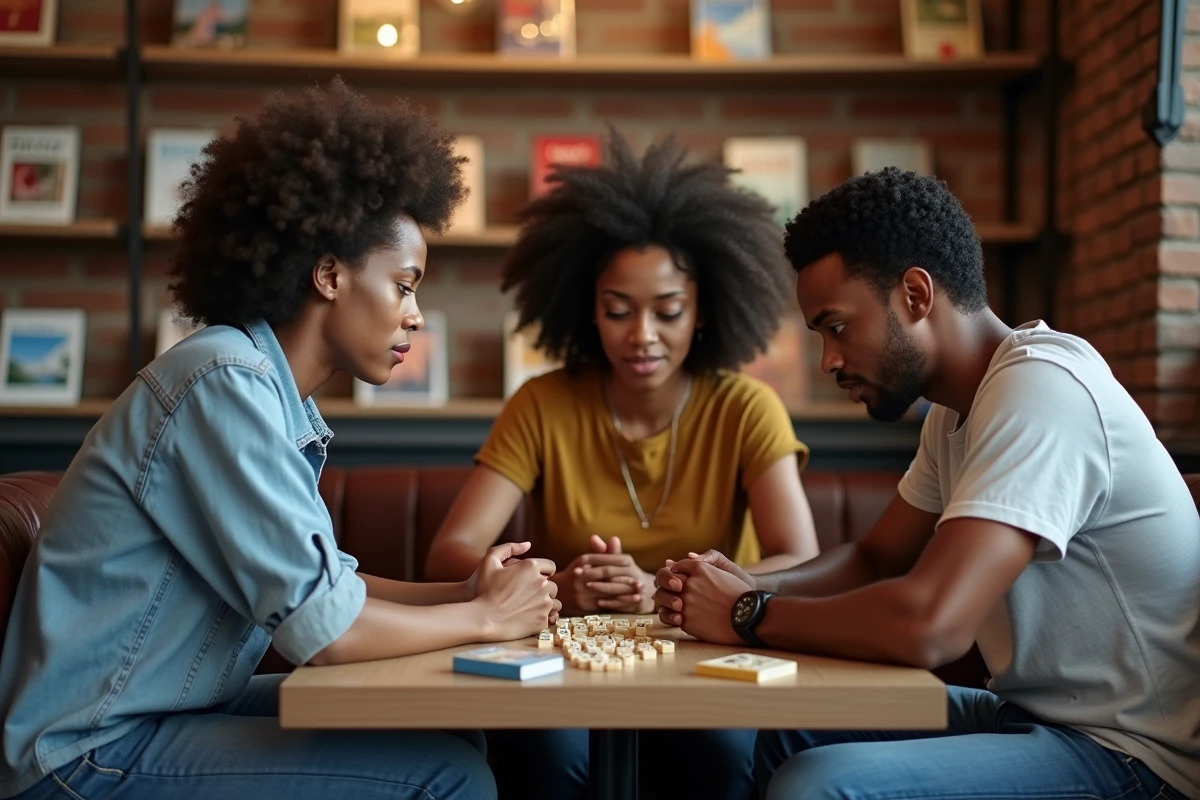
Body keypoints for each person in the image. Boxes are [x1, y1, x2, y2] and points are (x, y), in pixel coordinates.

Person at [0, 79, 561, 800]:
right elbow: (326, 635)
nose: (417, 316)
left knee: (450, 732)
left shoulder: (260, 391)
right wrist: (485, 616)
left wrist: (461, 591)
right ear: (329, 274)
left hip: (164, 709)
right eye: (406, 285)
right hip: (85, 748)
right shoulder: (221, 383)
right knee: (444, 777)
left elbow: (331, 588)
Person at [653, 166, 1200, 800]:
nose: (829, 360)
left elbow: (933, 624)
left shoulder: (1041, 391)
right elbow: (876, 557)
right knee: (789, 733)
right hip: (1034, 718)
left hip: (1133, 755)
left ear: (915, 294)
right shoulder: (956, 410)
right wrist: (747, 583)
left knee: (817, 783)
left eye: (836, 327)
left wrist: (749, 614)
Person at [424, 130, 820, 800]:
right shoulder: (543, 404)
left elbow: (800, 559)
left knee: (721, 751)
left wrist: (670, 592)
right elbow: (450, 553)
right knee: (550, 752)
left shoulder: (746, 407)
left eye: (668, 311)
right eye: (617, 310)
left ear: (703, 313)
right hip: (570, 664)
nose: (642, 335)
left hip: (708, 659)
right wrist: (553, 587)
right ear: (587, 309)